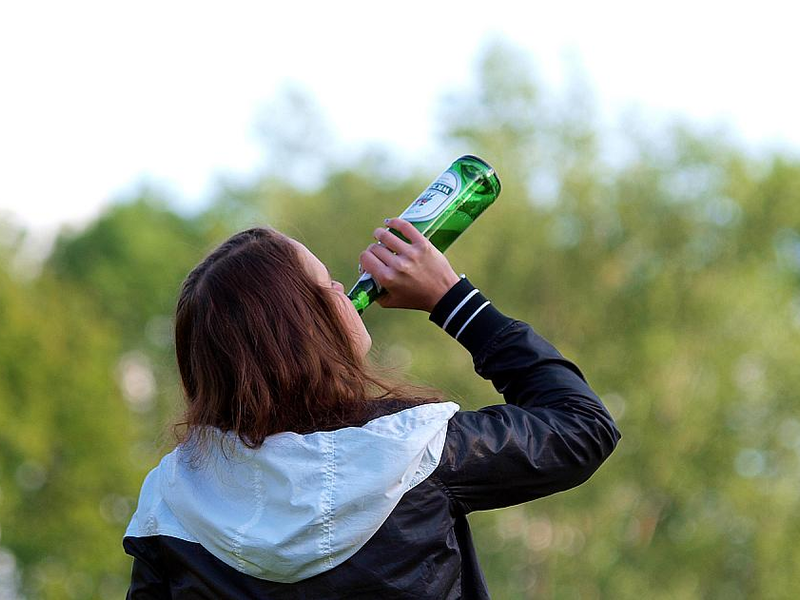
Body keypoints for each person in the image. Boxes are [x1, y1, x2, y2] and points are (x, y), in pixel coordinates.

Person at [123, 217, 621, 599]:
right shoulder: (411, 451)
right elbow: (584, 424)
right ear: (303, 330)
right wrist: (452, 298)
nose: (344, 289)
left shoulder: (171, 502)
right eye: (326, 284)